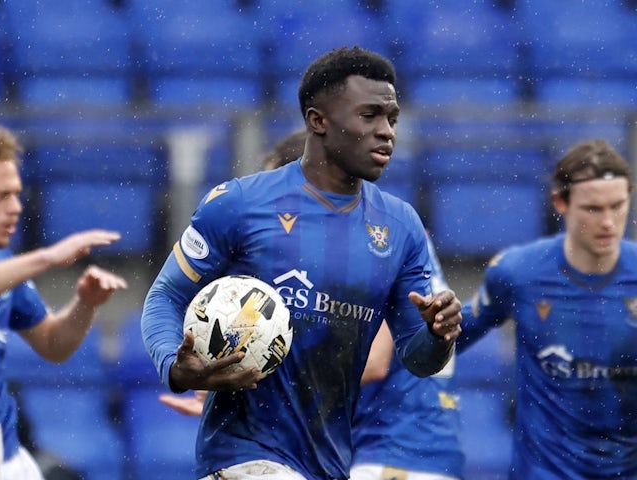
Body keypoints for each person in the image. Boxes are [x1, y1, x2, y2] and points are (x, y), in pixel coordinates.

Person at [141, 46, 462, 480]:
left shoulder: (400, 226)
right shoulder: (239, 203)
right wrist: (175, 367)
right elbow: (167, 294)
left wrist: (439, 334)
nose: (386, 132)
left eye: (392, 119)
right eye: (369, 116)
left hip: (328, 460)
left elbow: (418, 358)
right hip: (242, 454)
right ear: (318, 121)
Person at [456, 139, 637, 479]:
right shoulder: (518, 273)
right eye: (593, 209)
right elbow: (439, 347)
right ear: (560, 202)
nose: (609, 222)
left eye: (618, 205)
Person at [0, 125, 128, 479]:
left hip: (7, 457)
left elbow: (54, 345)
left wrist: (85, 304)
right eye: (1, 196)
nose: (16, 207)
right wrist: (48, 257)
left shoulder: (5, 263)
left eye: (17, 194)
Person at [351, 230, 464, 480]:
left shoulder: (387, 251)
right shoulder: (418, 253)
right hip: (438, 451)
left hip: (392, 449)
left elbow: (374, 364)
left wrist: (297, 382)